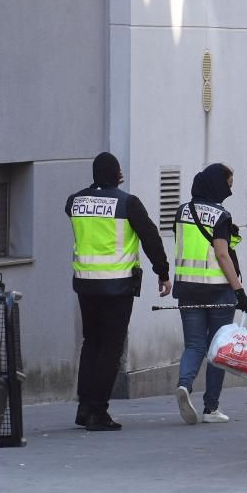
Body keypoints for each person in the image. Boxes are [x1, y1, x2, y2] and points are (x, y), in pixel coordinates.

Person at [66, 152, 171, 431]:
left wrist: (103, 184)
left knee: (91, 343)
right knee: (111, 348)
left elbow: (81, 204)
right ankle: (98, 413)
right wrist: (162, 271)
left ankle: (85, 406)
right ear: (117, 174)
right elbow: (150, 237)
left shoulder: (75, 201)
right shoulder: (128, 203)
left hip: (86, 283)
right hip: (117, 285)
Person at [172, 163, 247, 425]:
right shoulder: (221, 215)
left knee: (194, 344)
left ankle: (184, 385)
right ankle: (211, 408)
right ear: (217, 184)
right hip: (218, 291)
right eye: (228, 185)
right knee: (219, 348)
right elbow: (221, 254)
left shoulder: (181, 211)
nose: (230, 191)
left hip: (187, 289)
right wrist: (239, 291)